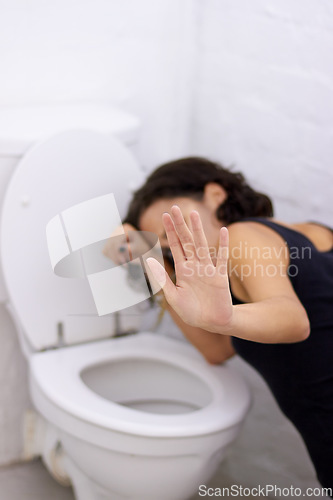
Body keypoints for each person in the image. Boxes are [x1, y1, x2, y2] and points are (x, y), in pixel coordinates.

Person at [104, 157, 333, 492]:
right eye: (167, 246)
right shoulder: (309, 233)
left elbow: (293, 319)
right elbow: (217, 349)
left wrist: (225, 317)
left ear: (214, 194)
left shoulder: (243, 237)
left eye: (173, 231)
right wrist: (152, 264)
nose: (175, 247)